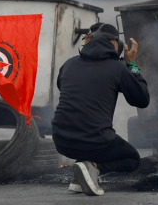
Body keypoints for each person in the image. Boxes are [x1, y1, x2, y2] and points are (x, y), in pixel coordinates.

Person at [51, 23, 150, 196]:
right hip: (94, 141)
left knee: (90, 138)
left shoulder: (68, 64)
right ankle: (94, 168)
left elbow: (64, 88)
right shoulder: (118, 68)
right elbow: (142, 100)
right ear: (114, 45)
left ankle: (80, 174)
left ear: (88, 41)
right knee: (132, 159)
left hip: (61, 141)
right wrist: (132, 65)